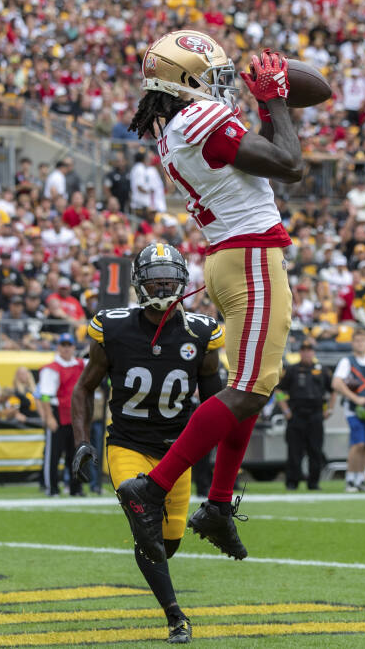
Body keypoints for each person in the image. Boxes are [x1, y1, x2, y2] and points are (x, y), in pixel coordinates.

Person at [117, 33, 303, 566]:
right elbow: (291, 163)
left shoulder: (177, 130)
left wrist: (271, 110)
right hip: (250, 256)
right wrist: (276, 101)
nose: (221, 85)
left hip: (229, 256)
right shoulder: (199, 123)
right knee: (249, 389)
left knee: (251, 387)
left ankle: (218, 505)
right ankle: (154, 487)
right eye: (210, 74)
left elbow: (265, 158)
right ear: (184, 81)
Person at [69, 242, 223, 645]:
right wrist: (82, 441)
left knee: (164, 544)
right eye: (155, 281)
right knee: (144, 522)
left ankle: (160, 579)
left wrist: (221, 456)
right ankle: (176, 616)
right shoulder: (115, 327)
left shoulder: (201, 333)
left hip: (177, 450)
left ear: (182, 282)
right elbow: (84, 389)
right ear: (139, 284)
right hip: (127, 443)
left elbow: (215, 403)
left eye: (169, 281)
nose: (162, 288)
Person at [276, 339, 333, 491]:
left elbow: (333, 389)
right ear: (300, 352)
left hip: (316, 414)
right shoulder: (292, 370)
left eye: (309, 350)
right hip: (296, 414)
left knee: (315, 450)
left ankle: (313, 482)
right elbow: (279, 390)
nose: (307, 353)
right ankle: (292, 482)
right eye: (304, 350)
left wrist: (330, 409)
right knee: (294, 450)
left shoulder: (322, 370)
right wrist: (285, 410)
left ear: (313, 353)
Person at [331, 329, 365, 492]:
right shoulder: (347, 361)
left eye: (363, 340)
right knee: (358, 443)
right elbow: (337, 383)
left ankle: (360, 479)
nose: (360, 344)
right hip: (354, 410)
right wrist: (355, 398)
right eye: (357, 341)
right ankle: (350, 479)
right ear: (353, 343)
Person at [37, 332, 86, 497]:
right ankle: (52, 488)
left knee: (76, 454)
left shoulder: (80, 364)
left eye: (68, 345)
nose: (66, 348)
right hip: (58, 413)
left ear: (73, 347)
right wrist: (49, 417)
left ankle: (76, 488)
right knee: (54, 454)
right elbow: (44, 395)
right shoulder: (52, 369)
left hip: (76, 415)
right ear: (58, 347)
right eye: (63, 345)